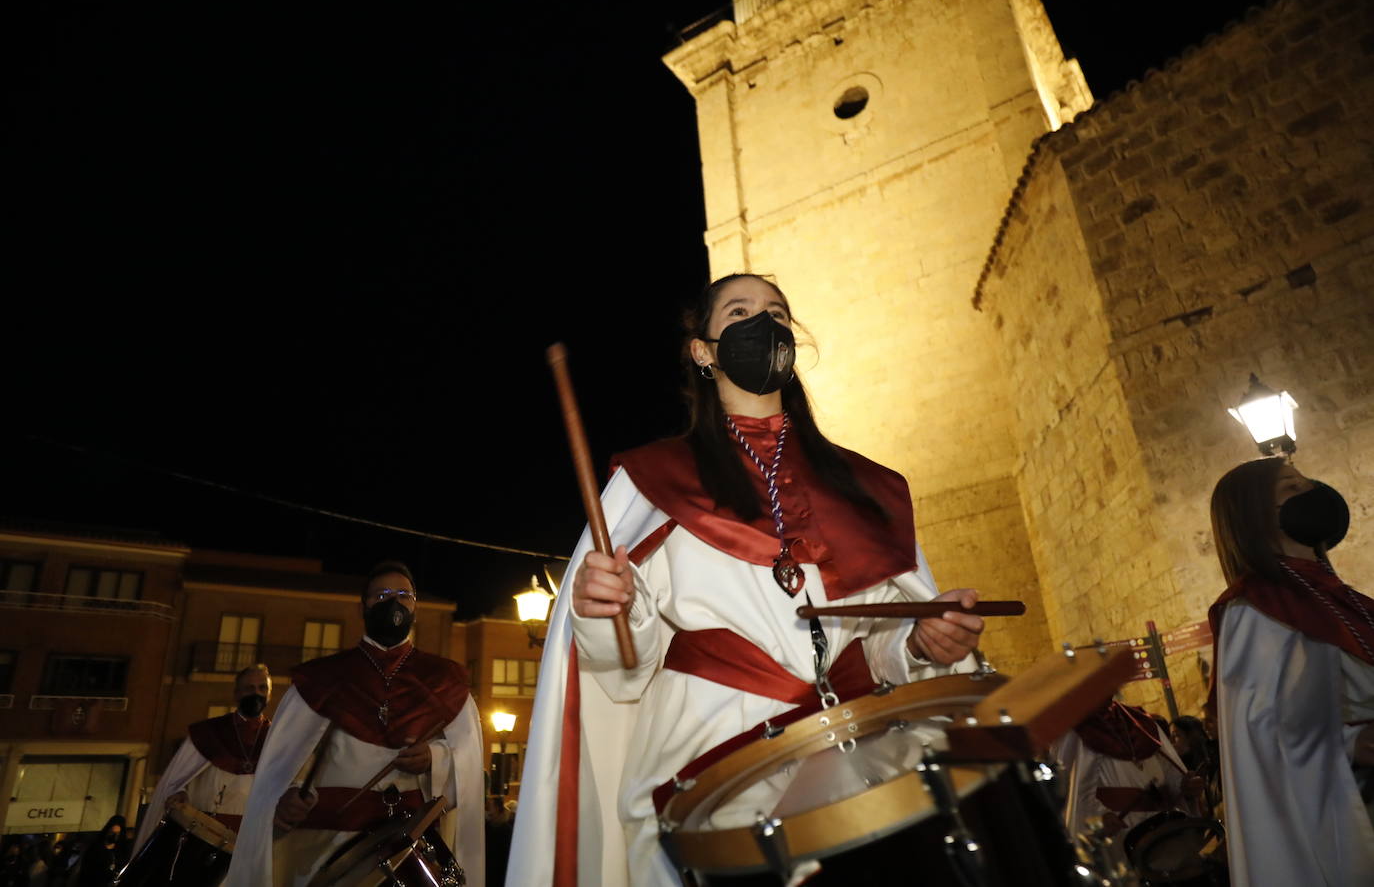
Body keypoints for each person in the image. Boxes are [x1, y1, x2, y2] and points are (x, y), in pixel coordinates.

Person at [508, 273, 987, 886]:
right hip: (712, 761)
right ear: (702, 351)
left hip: (862, 749)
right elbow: (628, 670)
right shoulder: (653, 478)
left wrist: (920, 643)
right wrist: (608, 611)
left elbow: (876, 641)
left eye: (778, 314)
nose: (763, 323)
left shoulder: (867, 485)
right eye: (739, 311)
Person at [223, 562, 484, 886]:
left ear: (416, 605)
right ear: (363, 606)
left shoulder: (445, 681)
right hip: (322, 849)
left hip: (408, 847)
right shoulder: (320, 680)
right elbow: (282, 768)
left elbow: (470, 763)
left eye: (404, 595)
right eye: (382, 595)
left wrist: (435, 758)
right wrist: (286, 797)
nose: (395, 603)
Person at [1208, 458, 1374, 885]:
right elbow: (1266, 734)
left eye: (1308, 483)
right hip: (1355, 807)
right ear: (1257, 515)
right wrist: (1352, 741)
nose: (1314, 492)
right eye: (1292, 489)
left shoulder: (1348, 600)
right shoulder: (1255, 610)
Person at [129, 664, 273, 857]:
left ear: (269, 694)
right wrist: (179, 792)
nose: (256, 693)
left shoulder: (277, 739)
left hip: (253, 840)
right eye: (249, 688)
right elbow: (175, 781)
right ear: (237, 694)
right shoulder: (208, 733)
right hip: (203, 837)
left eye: (262, 688)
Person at [1051, 701, 1200, 847]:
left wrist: (1184, 787)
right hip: (1123, 839)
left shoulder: (1140, 721)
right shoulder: (1075, 731)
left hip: (1167, 832)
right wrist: (1100, 818)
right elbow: (1074, 796)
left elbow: (1169, 775)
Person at [73, 818, 126, 887]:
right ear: (107, 832)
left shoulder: (119, 852)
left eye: (117, 834)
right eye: (112, 832)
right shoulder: (95, 849)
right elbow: (87, 871)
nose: (114, 836)